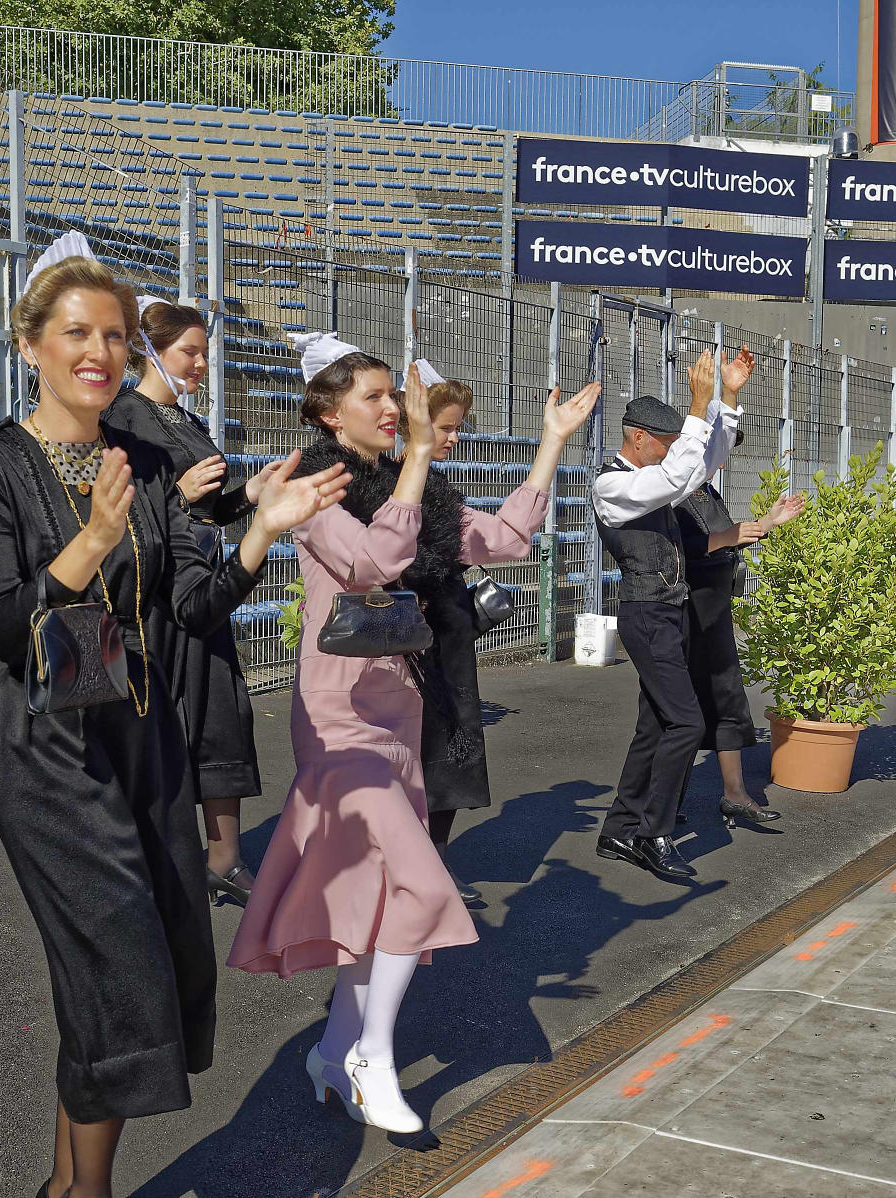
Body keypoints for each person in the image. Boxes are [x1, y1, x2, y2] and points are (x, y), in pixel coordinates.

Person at [0, 233, 350, 1198]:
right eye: (77, 333)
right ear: (30, 343)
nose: (99, 352)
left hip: (143, 732)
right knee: (116, 969)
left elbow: (200, 608)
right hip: (49, 748)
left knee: (148, 961)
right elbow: (5, 628)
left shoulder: (143, 458)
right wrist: (90, 540)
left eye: (117, 336)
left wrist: (260, 530)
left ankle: (65, 1188)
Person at [225, 332, 596, 1135]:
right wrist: (421, 461)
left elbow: (505, 539)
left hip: (401, 706)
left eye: (396, 394)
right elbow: (371, 564)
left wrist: (551, 444)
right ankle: (371, 1056)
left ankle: (333, 1048)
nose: (394, 407)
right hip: (339, 712)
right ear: (327, 413)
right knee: (424, 887)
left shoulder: (413, 484)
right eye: (374, 397)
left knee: (376, 895)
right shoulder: (313, 488)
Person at [398, 359, 599, 905]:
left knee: (446, 754)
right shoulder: (371, 483)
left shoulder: (438, 492)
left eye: (459, 426)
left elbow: (505, 539)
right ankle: (401, 869)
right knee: (402, 757)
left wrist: (551, 442)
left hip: (445, 638)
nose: (455, 438)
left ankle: (433, 863)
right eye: (446, 427)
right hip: (395, 645)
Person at [102, 296, 263, 905]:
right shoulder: (123, 415)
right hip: (156, 592)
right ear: (151, 351)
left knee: (223, 706)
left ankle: (223, 858)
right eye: (189, 352)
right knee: (159, 716)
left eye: (204, 353)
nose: (200, 364)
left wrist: (251, 492)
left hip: (202, 580)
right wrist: (178, 492)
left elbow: (210, 506)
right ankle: (151, 853)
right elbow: (131, 498)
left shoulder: (187, 421)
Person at [590, 347, 754, 882]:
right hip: (646, 615)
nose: (669, 452)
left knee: (655, 723)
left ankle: (619, 826)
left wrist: (725, 401)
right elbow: (677, 472)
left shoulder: (654, 475)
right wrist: (698, 403)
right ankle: (652, 832)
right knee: (686, 721)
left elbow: (703, 461)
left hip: (669, 612)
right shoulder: (612, 484)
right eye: (662, 442)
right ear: (639, 438)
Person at [675, 455, 804, 825]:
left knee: (727, 697)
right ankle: (665, 800)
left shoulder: (706, 493)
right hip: (689, 613)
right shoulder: (672, 494)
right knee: (682, 708)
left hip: (716, 615)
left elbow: (728, 542)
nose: (721, 461)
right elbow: (678, 551)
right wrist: (726, 538)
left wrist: (766, 523)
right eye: (715, 452)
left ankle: (734, 793)